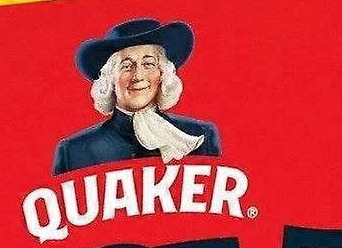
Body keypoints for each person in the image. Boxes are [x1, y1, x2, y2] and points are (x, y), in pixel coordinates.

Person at [53, 16, 223, 174]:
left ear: (162, 73)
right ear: (110, 78)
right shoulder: (73, 152)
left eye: (148, 64)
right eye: (127, 66)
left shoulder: (200, 136)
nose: (138, 76)